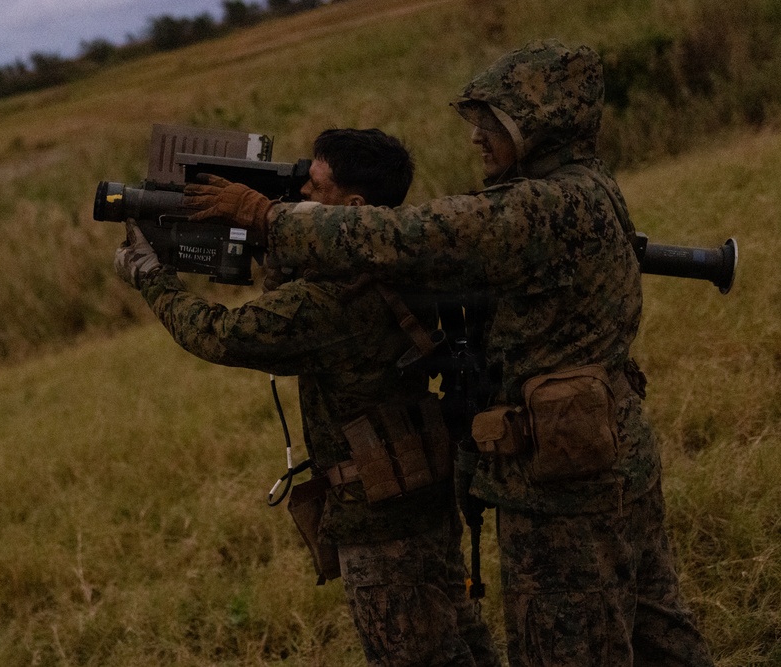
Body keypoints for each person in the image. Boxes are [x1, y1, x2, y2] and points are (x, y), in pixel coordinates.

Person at [182, 41, 715, 666]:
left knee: (566, 649)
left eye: (495, 122)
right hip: (612, 449)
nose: (477, 138)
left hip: (560, 485)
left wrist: (270, 218)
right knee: (658, 633)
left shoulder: (535, 208)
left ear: (540, 123)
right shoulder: (589, 188)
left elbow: (406, 237)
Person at [115, 128, 502, 667]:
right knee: (463, 644)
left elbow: (221, 335)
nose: (297, 201)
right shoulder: (400, 258)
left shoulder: (330, 302)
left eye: (315, 190)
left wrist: (152, 277)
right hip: (424, 495)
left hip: (377, 522)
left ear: (354, 206)